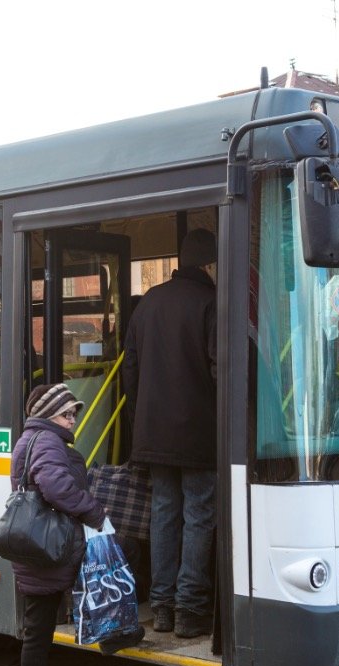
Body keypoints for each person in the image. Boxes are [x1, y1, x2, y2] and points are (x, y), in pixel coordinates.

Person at [12, 383, 141, 666]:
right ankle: (112, 632)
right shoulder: (47, 441)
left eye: (73, 414)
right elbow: (54, 486)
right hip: (51, 540)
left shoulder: (34, 440)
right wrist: (93, 511)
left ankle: (113, 631)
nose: (72, 421)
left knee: (42, 620)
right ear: (47, 415)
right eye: (65, 414)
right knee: (111, 561)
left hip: (43, 540)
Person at [123, 228, 217, 639]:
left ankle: (160, 607)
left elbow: (130, 369)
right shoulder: (210, 303)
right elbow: (220, 372)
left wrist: (142, 415)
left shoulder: (148, 304)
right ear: (211, 264)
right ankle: (189, 609)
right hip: (197, 434)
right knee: (198, 515)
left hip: (152, 434)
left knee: (163, 514)